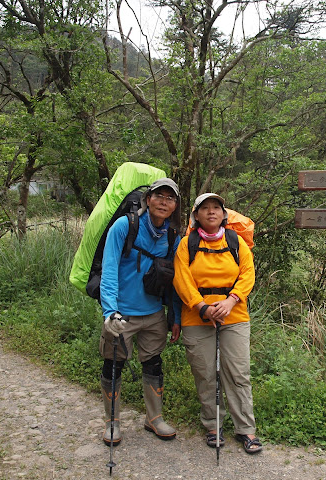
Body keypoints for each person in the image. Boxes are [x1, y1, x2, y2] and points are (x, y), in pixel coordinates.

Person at [173, 193, 263, 454]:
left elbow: (248, 274)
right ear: (196, 216)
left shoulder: (236, 242)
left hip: (234, 317)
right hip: (196, 317)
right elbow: (182, 280)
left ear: (224, 214)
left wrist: (231, 300)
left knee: (237, 373)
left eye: (216, 208)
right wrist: (202, 308)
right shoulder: (186, 244)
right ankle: (213, 425)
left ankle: (245, 429)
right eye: (205, 208)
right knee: (205, 373)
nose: (211, 212)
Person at [99, 178, 181, 446]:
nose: (164, 201)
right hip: (122, 314)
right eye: (159, 196)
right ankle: (112, 423)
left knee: (154, 365)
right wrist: (110, 311)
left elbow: (177, 281)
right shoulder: (125, 226)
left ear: (175, 206)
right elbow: (109, 269)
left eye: (170, 198)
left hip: (154, 314)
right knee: (114, 365)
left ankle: (154, 418)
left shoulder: (172, 235)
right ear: (148, 199)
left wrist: (174, 317)